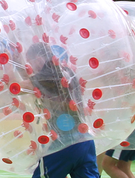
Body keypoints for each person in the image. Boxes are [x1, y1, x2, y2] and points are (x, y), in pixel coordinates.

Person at [28, 43, 99, 178]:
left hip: (64, 143)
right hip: (85, 141)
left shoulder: (48, 73)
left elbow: (19, 86)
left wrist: (8, 65)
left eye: (30, 63)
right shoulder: (65, 70)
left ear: (37, 58)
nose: (31, 68)